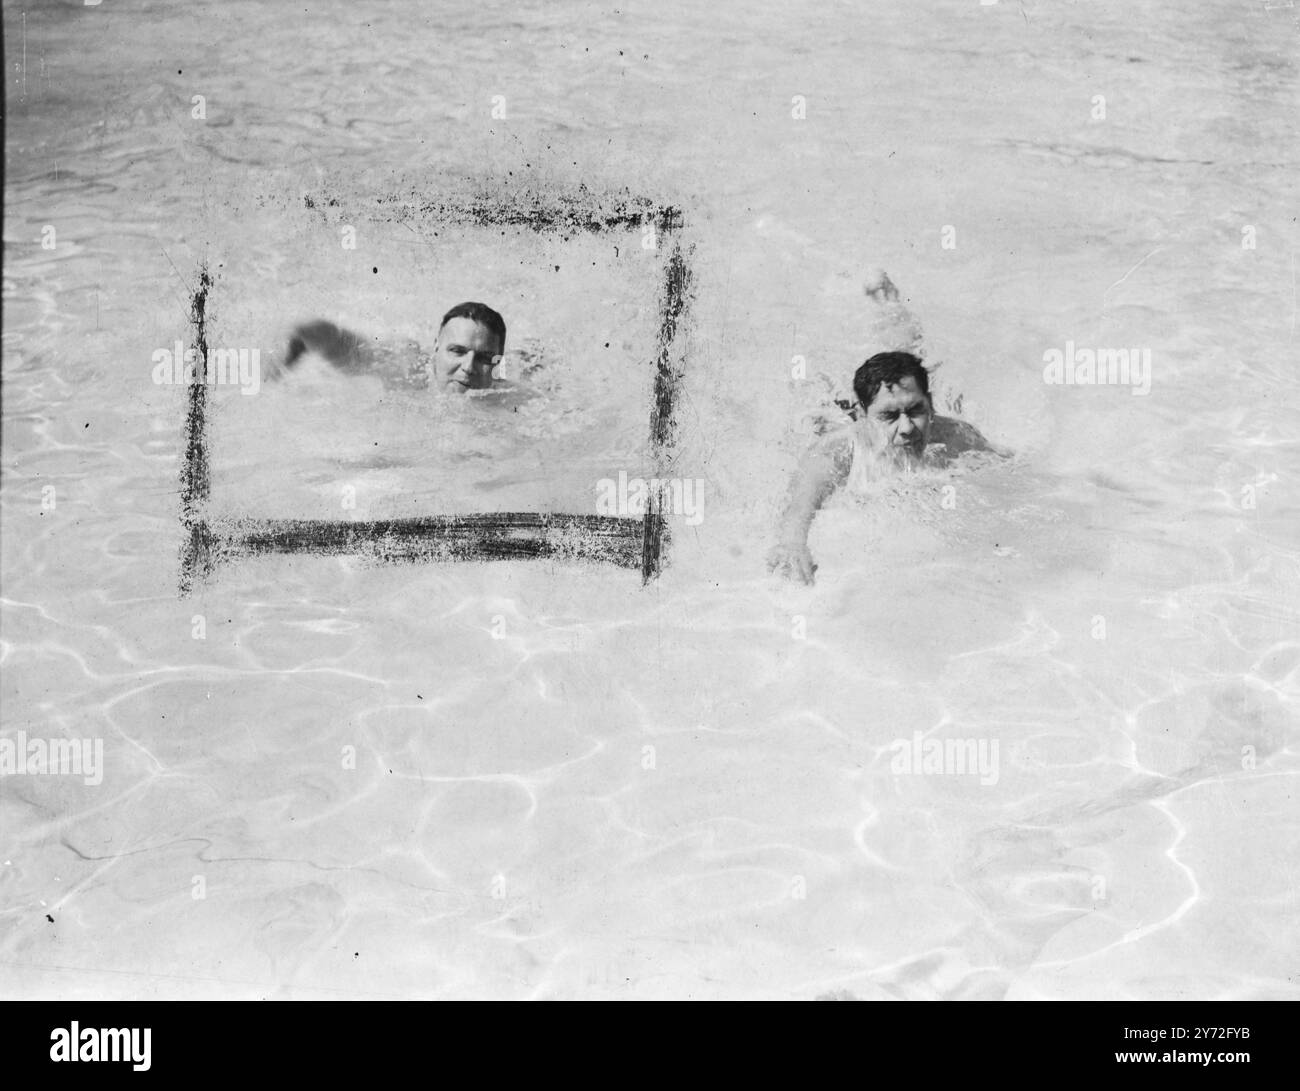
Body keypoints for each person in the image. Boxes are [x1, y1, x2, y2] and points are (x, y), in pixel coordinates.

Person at [767, 276, 1001, 584]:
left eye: (917, 411)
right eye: (889, 416)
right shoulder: (838, 450)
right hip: (843, 422)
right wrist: (793, 545)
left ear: (930, 405)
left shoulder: (956, 436)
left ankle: (890, 305)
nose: (906, 428)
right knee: (817, 413)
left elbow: (1007, 470)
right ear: (863, 416)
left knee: (910, 363)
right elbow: (799, 506)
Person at [280, 301, 508, 393]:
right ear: (436, 347)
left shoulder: (510, 399)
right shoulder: (405, 370)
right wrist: (293, 347)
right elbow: (334, 339)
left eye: (483, 358)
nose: (468, 367)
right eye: (457, 351)